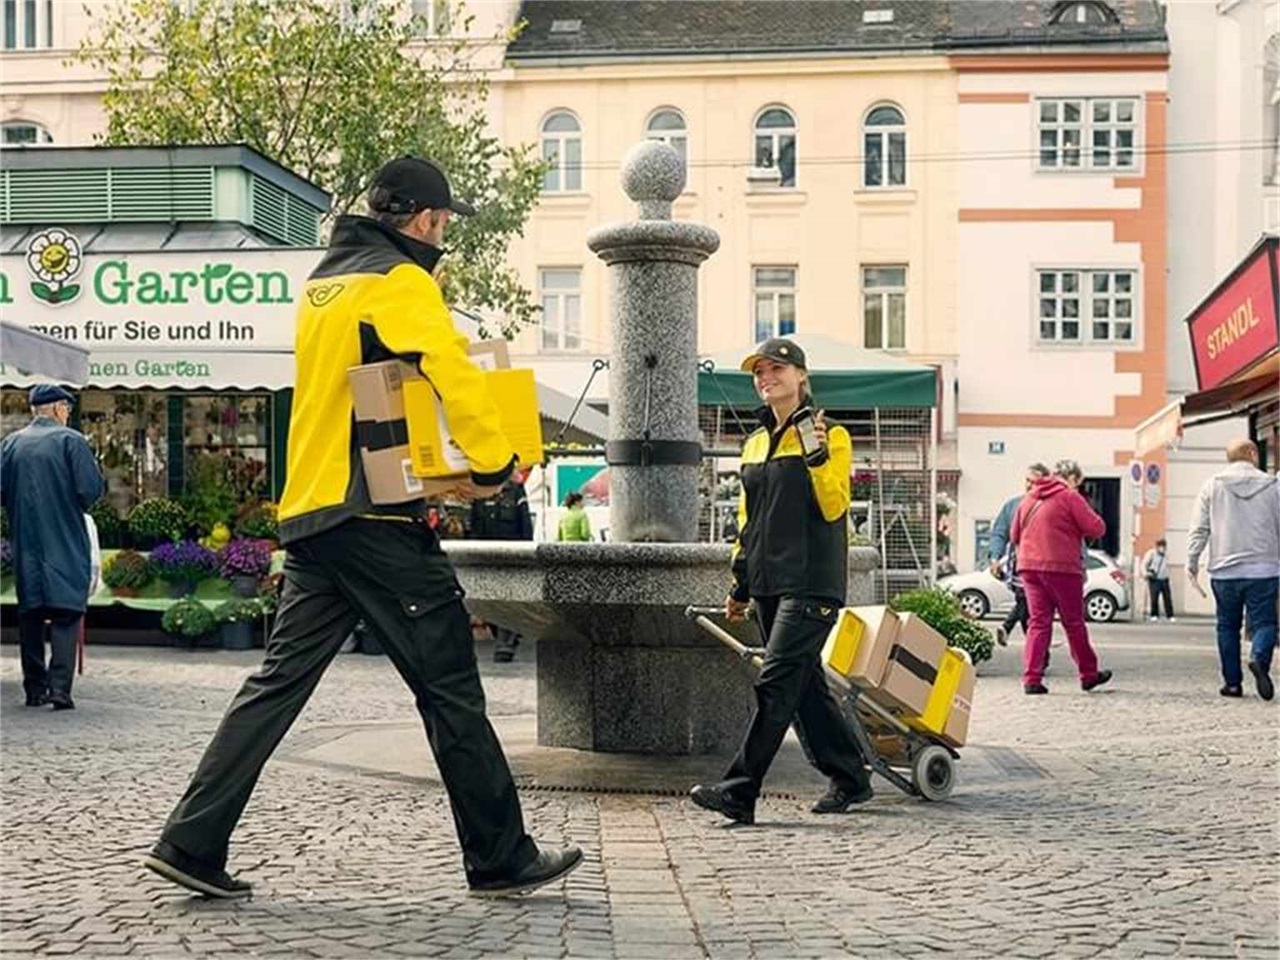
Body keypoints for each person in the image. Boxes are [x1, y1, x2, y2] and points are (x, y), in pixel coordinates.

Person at [143, 156, 582, 899]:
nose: (443, 235)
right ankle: (501, 857)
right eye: (443, 223)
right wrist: (494, 458)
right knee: (450, 686)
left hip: (314, 515)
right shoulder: (400, 281)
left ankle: (190, 841)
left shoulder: (324, 284)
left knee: (277, 684)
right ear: (426, 220)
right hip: (375, 519)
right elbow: (452, 371)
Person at [690, 338, 873, 825]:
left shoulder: (831, 435)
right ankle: (850, 777)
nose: (766, 378)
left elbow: (834, 507)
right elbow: (748, 521)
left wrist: (816, 455)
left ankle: (739, 791)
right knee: (804, 687)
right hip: (770, 583)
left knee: (774, 684)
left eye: (776, 369)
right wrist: (741, 584)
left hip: (811, 581)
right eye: (759, 372)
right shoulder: (754, 442)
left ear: (801, 376)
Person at [0, 385, 104, 710]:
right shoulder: (71, 441)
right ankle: (60, 689)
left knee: (30, 613)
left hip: (27, 541)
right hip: (64, 538)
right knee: (66, 612)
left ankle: (34, 688)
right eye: (67, 409)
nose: (67, 414)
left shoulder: (11, 443)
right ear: (58, 408)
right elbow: (90, 491)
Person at [1186, 439, 1279, 701]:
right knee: (1265, 623)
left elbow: (1199, 528)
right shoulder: (1273, 486)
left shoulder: (1212, 485)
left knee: (1227, 626)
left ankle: (1233, 684)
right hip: (1264, 569)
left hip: (1225, 571)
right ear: (1252, 453)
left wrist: (1192, 561)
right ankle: (1259, 658)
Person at [1010, 458, 1112, 695]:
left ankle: (1032, 678)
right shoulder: (1069, 497)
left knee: (1038, 623)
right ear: (1072, 478)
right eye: (1078, 482)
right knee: (1073, 623)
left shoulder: (1028, 498)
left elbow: (1014, 534)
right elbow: (1097, 528)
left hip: (1029, 568)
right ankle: (1088, 674)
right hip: (1062, 568)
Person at [470, 470, 534, 662]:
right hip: (486, 555)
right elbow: (475, 524)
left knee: (508, 597)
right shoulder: (480, 493)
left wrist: (526, 554)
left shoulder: (516, 492)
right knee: (490, 599)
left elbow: (525, 523)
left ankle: (505, 643)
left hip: (511, 554)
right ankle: (503, 634)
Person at [986, 463, 1050, 647]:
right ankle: (1038, 652)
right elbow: (999, 533)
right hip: (1020, 567)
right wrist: (994, 558)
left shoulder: (1053, 506)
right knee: (1028, 607)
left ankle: (1010, 629)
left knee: (1031, 609)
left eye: (1034, 482)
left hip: (1044, 567)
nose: (1029, 485)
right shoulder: (1013, 506)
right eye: (1027, 481)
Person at [1141, 537, 1175, 622]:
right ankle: (1154, 614)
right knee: (1154, 598)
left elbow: (1167, 566)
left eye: (1164, 546)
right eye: (1161, 546)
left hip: (1164, 579)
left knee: (1167, 598)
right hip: (1154, 579)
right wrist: (1145, 573)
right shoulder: (1151, 554)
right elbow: (1144, 564)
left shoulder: (1166, 555)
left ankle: (1170, 615)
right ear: (1157, 546)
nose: (1162, 548)